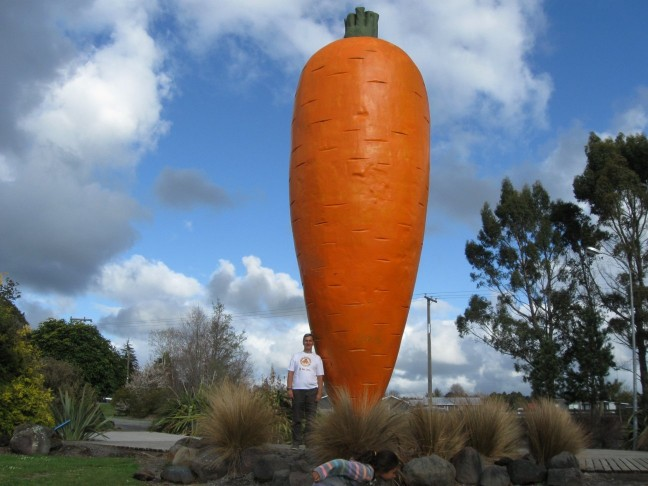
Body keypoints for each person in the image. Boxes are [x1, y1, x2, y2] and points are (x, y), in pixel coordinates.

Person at [287, 333, 324, 448]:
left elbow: (320, 377)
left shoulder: (317, 358)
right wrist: (289, 388)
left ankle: (309, 443)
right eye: (306, 340)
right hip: (298, 390)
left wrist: (319, 393)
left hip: (312, 391)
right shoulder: (296, 356)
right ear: (303, 342)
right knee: (297, 418)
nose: (308, 343)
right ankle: (296, 442)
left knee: (311, 419)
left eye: (310, 341)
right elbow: (290, 373)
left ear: (313, 343)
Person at [311, 450, 401, 485]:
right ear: (384, 468)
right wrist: (320, 471)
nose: (394, 476)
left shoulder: (371, 476)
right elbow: (340, 463)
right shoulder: (365, 471)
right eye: (393, 472)